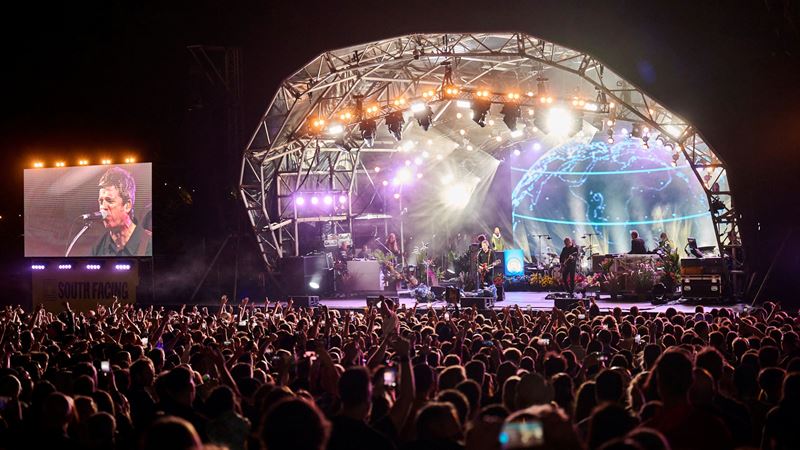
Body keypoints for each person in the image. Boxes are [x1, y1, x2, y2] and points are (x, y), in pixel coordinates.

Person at [91, 166, 152, 256]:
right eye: (101, 201)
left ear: (127, 205)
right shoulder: (98, 247)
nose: (102, 207)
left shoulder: (149, 244)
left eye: (109, 200)